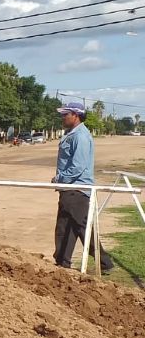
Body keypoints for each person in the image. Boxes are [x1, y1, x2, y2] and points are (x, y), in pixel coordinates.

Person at [52, 102, 114, 273]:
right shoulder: (72, 133)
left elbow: (77, 166)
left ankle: (104, 264)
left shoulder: (80, 136)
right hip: (70, 189)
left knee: (82, 227)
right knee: (66, 227)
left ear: (75, 115)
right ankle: (62, 262)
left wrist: (59, 179)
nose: (63, 117)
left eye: (66, 114)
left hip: (76, 189)